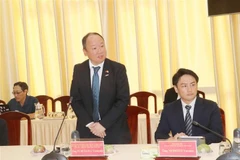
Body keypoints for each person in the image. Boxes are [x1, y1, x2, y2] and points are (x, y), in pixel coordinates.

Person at [70, 32, 131, 144]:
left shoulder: (117, 69)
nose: (100, 50)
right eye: (94, 48)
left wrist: (103, 124)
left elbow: (123, 100)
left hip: (114, 130)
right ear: (85, 52)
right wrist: (91, 125)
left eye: (102, 46)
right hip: (87, 130)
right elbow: (75, 100)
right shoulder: (79, 70)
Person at [155, 68, 223, 144]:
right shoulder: (169, 109)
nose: (190, 89)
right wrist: (173, 140)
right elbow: (159, 135)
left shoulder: (211, 107)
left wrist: (192, 141)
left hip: (204, 150)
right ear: (176, 89)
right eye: (184, 86)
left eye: (193, 85)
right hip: (179, 152)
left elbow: (218, 135)